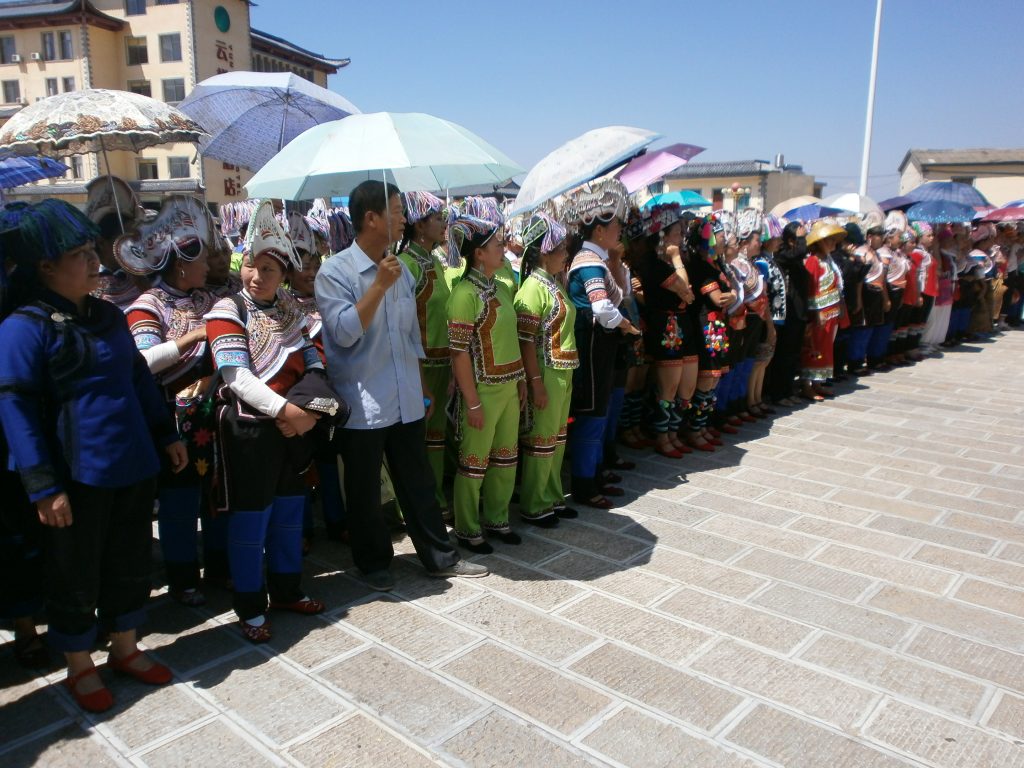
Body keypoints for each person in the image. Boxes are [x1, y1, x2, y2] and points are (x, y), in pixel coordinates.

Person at [0, 199, 185, 712]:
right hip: (75, 476)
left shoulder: (107, 315)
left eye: (90, 251)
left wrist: (165, 434)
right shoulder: (22, 327)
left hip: (132, 462)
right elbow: (14, 409)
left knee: (129, 559)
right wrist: (43, 486)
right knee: (75, 569)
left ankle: (125, 647)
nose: (94, 262)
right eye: (79, 254)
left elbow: (137, 379)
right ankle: (80, 663)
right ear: (46, 266)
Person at [315, 180, 486, 591]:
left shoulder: (401, 270)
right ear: (371, 219)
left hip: (406, 395)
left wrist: (423, 386)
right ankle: (373, 564)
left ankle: (439, 557)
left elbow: (411, 338)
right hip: (363, 402)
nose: (403, 217)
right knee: (365, 491)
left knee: (419, 481)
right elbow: (342, 333)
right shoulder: (335, 272)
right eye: (394, 210)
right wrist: (377, 287)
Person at [205, 200, 327, 642]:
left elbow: (313, 358)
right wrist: (286, 412)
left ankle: (288, 589)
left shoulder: (291, 309)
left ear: (284, 274)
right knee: (251, 520)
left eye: (270, 270)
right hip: (251, 431)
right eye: (252, 267)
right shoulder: (226, 311)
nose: (258, 276)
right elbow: (236, 377)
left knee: (291, 512)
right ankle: (251, 607)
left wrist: (313, 413)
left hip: (294, 430)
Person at [121, 196, 226, 606]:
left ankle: (219, 568)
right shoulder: (147, 306)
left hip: (213, 413)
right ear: (182, 264)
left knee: (217, 495)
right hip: (173, 421)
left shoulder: (206, 299)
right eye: (202, 259)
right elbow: (143, 362)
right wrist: (191, 339)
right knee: (180, 501)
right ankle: (184, 577)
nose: (209, 265)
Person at [447, 197, 526, 550]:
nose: (503, 249)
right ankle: (467, 527)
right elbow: (458, 353)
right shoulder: (465, 295)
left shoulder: (502, 288)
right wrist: (472, 402)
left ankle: (497, 518)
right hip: (482, 391)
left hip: (509, 387)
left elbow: (510, 339)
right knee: (474, 463)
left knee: (506, 458)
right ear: (479, 253)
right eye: (497, 245)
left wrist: (522, 380)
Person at [562, 180, 640, 508]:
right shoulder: (589, 263)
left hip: (600, 347)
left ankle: (592, 474)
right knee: (591, 416)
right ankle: (584, 484)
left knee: (599, 413)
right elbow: (602, 308)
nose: (620, 230)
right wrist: (626, 326)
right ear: (599, 232)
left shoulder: (597, 260)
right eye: (616, 225)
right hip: (593, 347)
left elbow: (617, 297)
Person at [286, 212, 348, 548]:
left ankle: (336, 520)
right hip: (299, 394)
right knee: (300, 460)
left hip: (331, 390)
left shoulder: (328, 299)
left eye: (314, 265)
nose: (310, 272)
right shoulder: (283, 306)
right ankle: (303, 528)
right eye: (303, 267)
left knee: (328, 457)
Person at [514, 211, 579, 527]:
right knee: (541, 439)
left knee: (557, 438)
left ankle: (552, 495)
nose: (566, 255)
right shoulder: (531, 288)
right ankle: (534, 503)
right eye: (562, 250)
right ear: (545, 252)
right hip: (547, 371)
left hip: (563, 370)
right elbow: (525, 341)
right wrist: (535, 382)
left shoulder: (552, 283)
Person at [397, 191, 452, 519]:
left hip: (442, 362)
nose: (444, 224)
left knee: (437, 437)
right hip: (421, 364)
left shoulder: (433, 260)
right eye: (437, 219)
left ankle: (433, 496)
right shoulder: (406, 265)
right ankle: (425, 503)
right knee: (423, 438)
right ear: (419, 225)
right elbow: (404, 325)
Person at [628, 204, 692, 458]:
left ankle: (668, 434)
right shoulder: (656, 265)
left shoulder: (659, 264)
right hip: (664, 328)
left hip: (672, 327)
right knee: (666, 387)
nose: (681, 237)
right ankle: (662, 436)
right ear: (664, 236)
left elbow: (688, 295)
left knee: (672, 387)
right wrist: (676, 258)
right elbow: (686, 289)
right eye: (676, 232)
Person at [85, 176, 150, 311]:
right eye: (124, 240)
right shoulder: (87, 281)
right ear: (102, 243)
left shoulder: (143, 274)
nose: (133, 245)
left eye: (134, 238)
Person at [799, 220, 846, 400]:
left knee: (825, 348)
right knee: (813, 347)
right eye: (829, 240)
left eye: (834, 240)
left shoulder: (828, 261)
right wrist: (816, 312)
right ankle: (806, 384)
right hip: (819, 312)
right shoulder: (813, 261)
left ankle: (818, 382)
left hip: (831, 312)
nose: (833, 244)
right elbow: (811, 288)